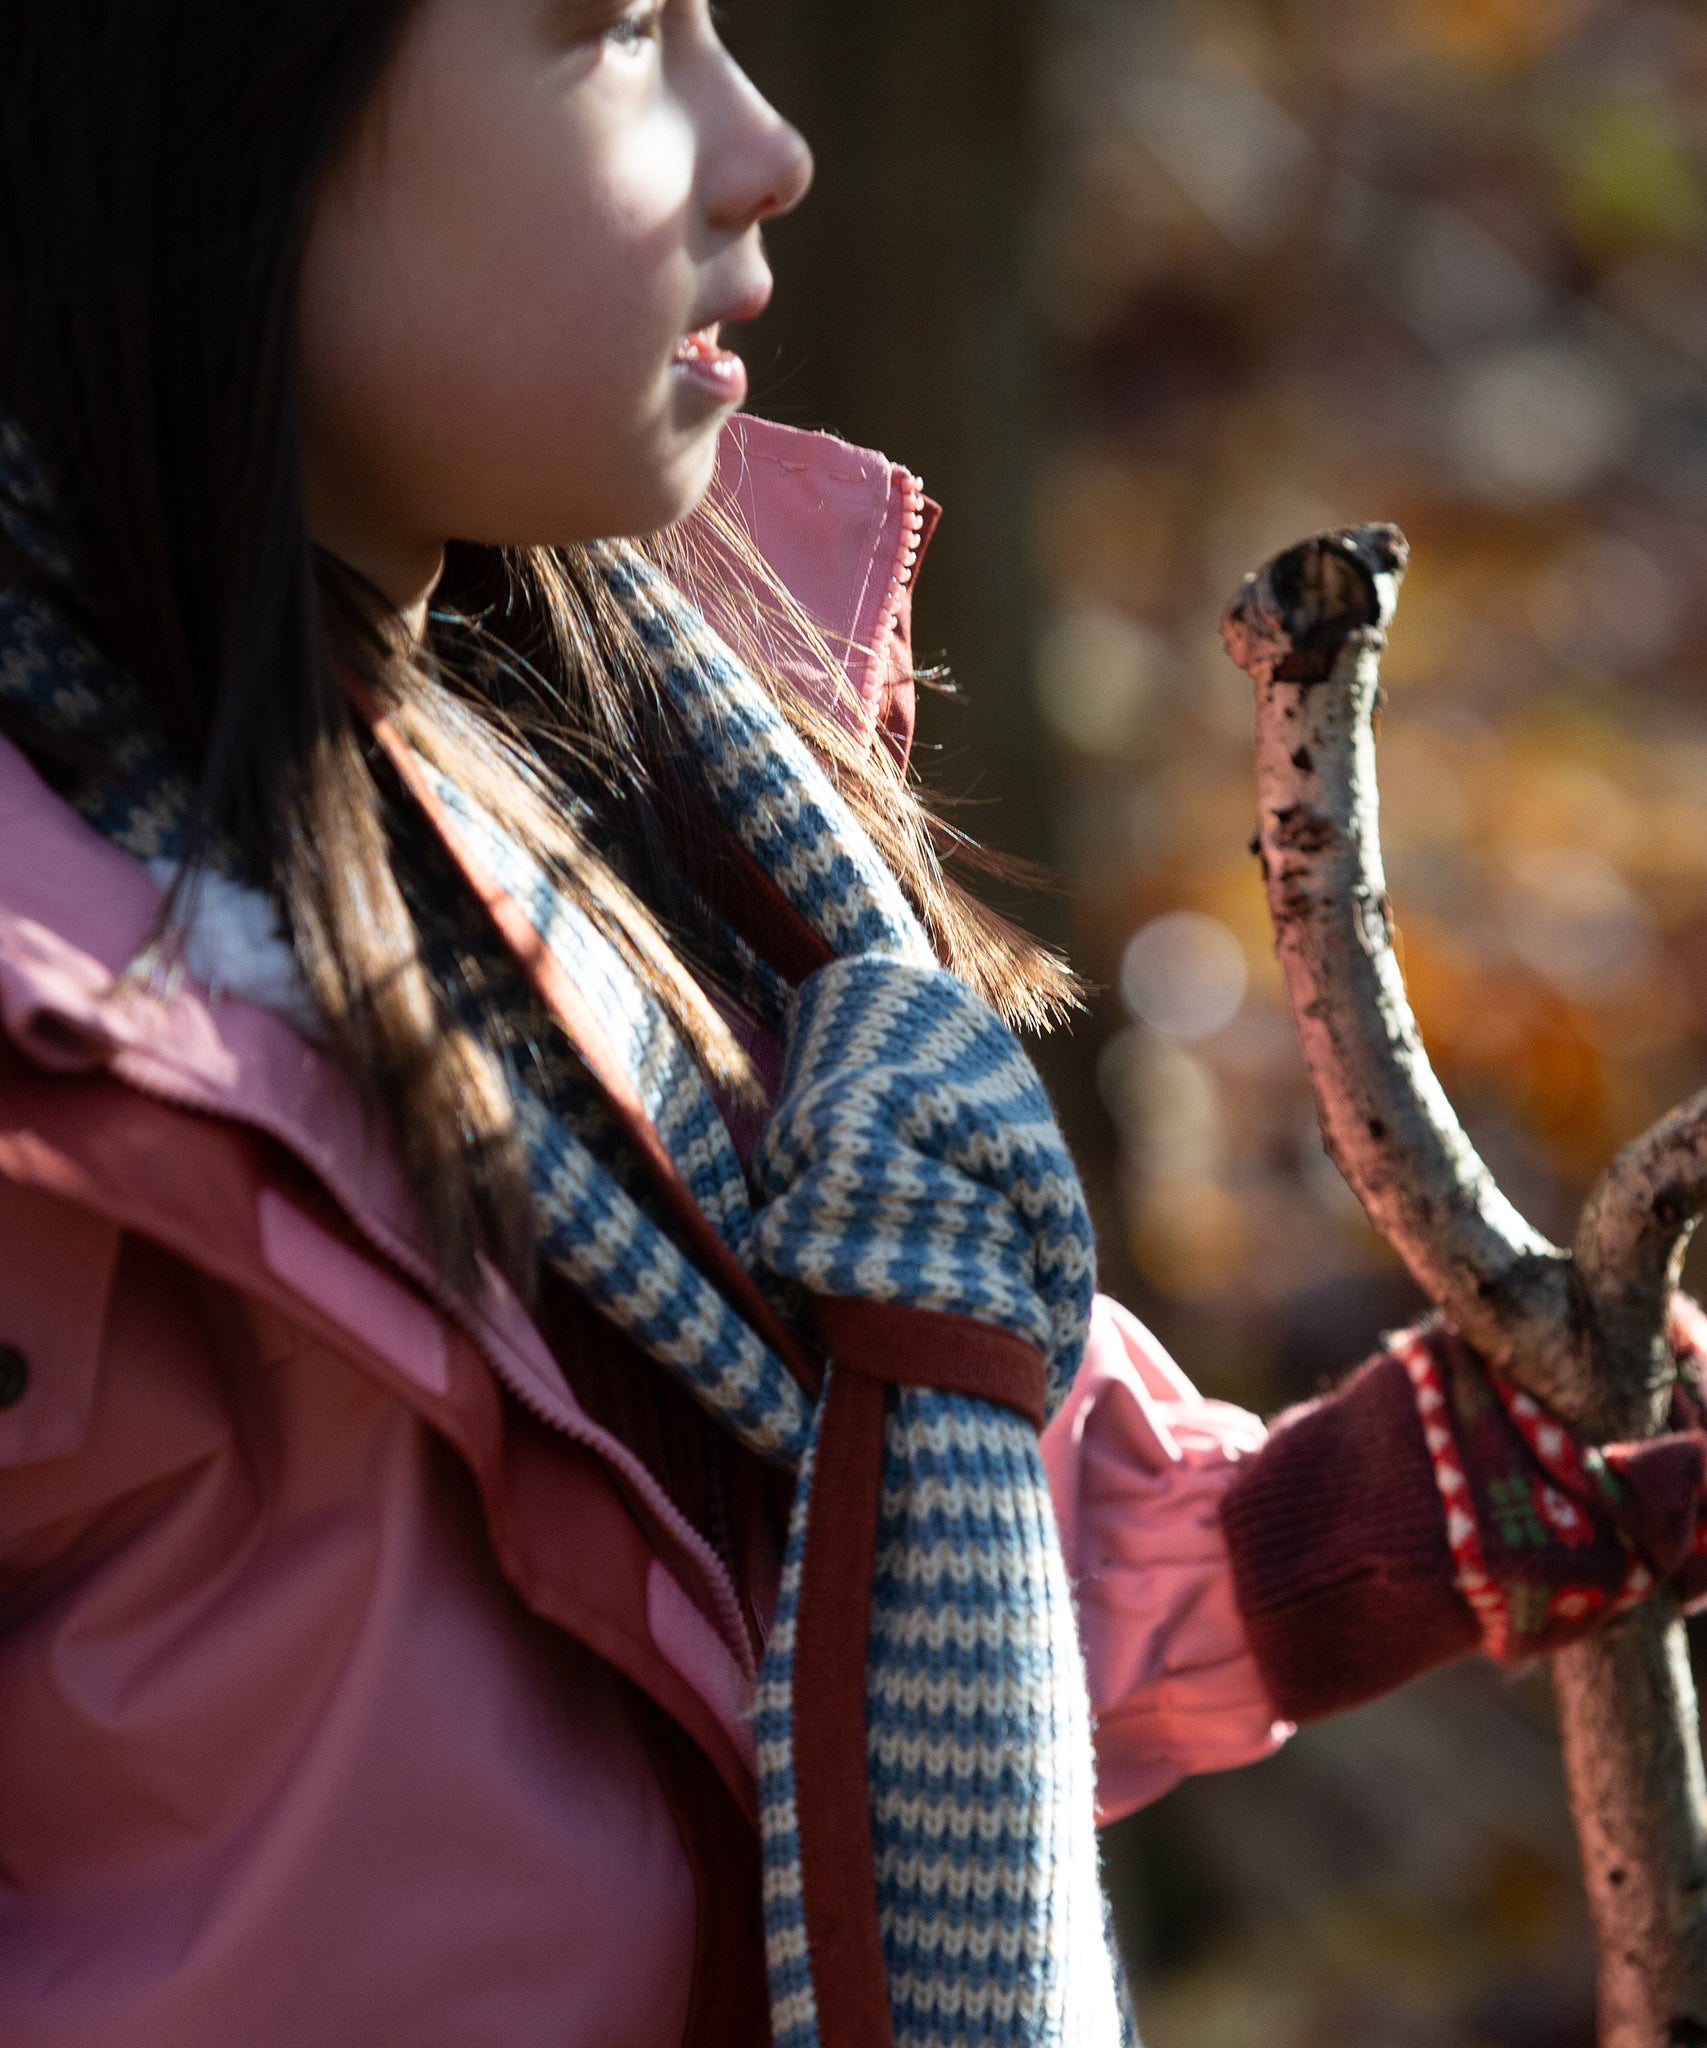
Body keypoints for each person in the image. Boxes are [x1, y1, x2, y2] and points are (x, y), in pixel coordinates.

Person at [1, 5, 1704, 2045]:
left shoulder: (655, 836)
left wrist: (1306, 1540)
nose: (764, 143)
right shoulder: (60, 1069)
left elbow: (849, 1585)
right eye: (616, 32)